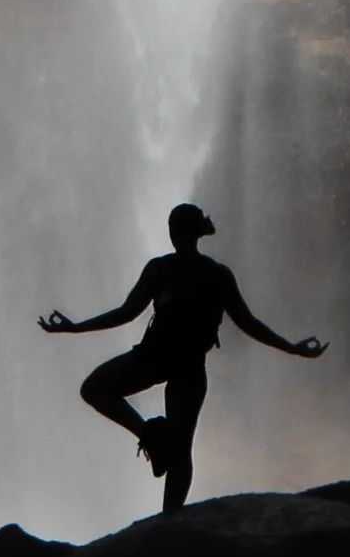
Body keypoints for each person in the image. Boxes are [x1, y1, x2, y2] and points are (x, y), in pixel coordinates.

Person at [39, 204, 325, 513]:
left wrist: (75, 328)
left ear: (173, 233)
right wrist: (291, 348)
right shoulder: (217, 274)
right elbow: (248, 323)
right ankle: (170, 516)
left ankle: (148, 435)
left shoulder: (161, 268)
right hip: (188, 365)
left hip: (154, 356)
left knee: (95, 388)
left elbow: (126, 313)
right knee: (181, 450)